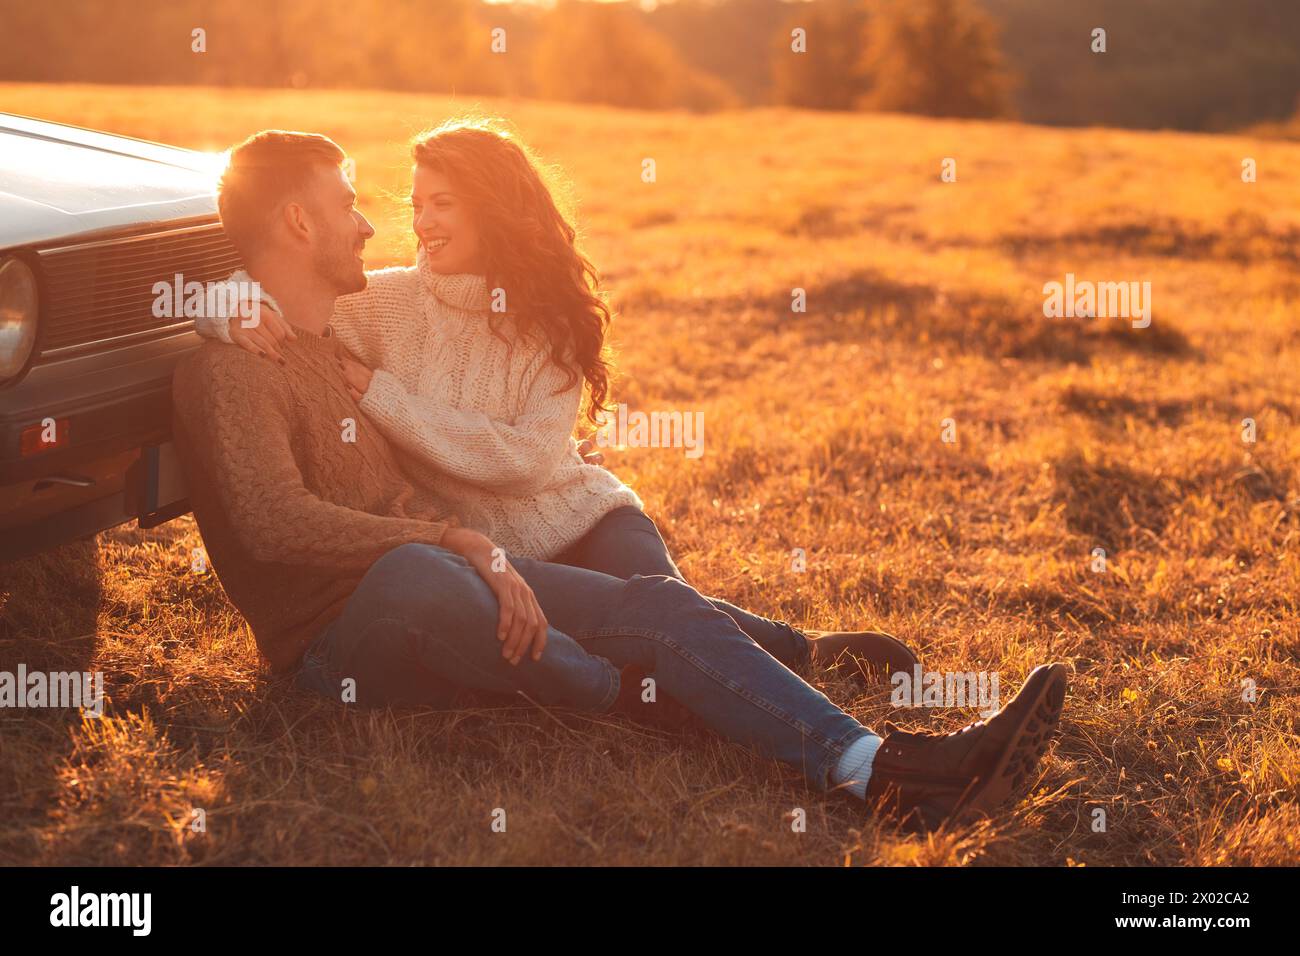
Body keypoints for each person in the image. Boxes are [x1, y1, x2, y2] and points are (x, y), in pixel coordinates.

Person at [172, 129, 1068, 831]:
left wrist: (470, 552)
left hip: (478, 558)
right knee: (443, 581)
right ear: (298, 223)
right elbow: (271, 522)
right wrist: (454, 539)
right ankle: (628, 691)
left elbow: (472, 469)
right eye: (354, 204)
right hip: (336, 644)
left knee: (660, 605)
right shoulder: (236, 364)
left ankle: (882, 768)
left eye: (418, 203)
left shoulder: (330, 338)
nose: (376, 224)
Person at [194, 117, 915, 685]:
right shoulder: (382, 301)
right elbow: (284, 291)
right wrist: (223, 304)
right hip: (491, 548)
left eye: (443, 204)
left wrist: (386, 398)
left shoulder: (552, 320)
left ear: (495, 210)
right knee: (647, 632)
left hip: (579, 513)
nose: (420, 224)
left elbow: (529, 463)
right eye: (416, 205)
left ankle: (803, 656)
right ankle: (799, 655)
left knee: (658, 602)